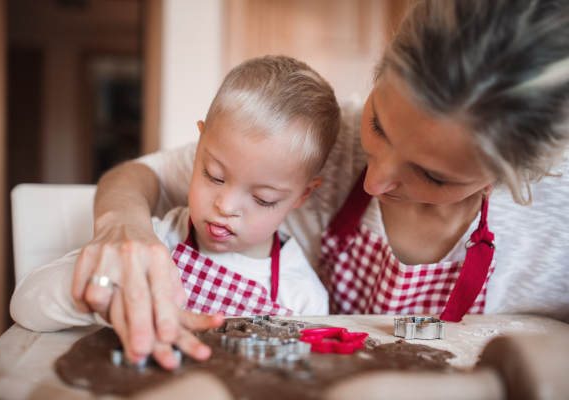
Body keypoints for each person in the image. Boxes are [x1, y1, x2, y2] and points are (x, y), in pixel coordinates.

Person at [70, 0, 569, 369]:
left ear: (515, 174)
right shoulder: (309, 143)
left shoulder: (559, 215)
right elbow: (143, 175)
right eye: (379, 126)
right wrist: (122, 225)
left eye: (432, 175)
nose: (374, 180)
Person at [10, 55, 340, 369]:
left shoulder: (303, 296)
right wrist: (107, 295)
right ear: (197, 149)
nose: (225, 207)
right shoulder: (156, 240)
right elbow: (25, 304)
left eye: (264, 199)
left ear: (302, 195)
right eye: (214, 175)